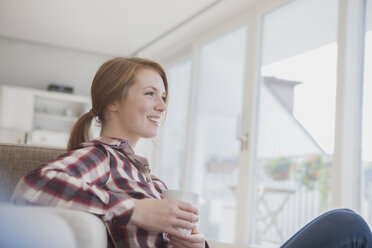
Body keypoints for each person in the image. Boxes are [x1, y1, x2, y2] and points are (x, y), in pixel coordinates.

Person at [12, 57, 371, 248]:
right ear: (113, 102)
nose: (162, 106)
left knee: (346, 223)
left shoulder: (149, 178)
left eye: (164, 97)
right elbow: (31, 188)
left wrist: (195, 245)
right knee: (347, 225)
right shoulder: (100, 157)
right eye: (151, 93)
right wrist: (137, 209)